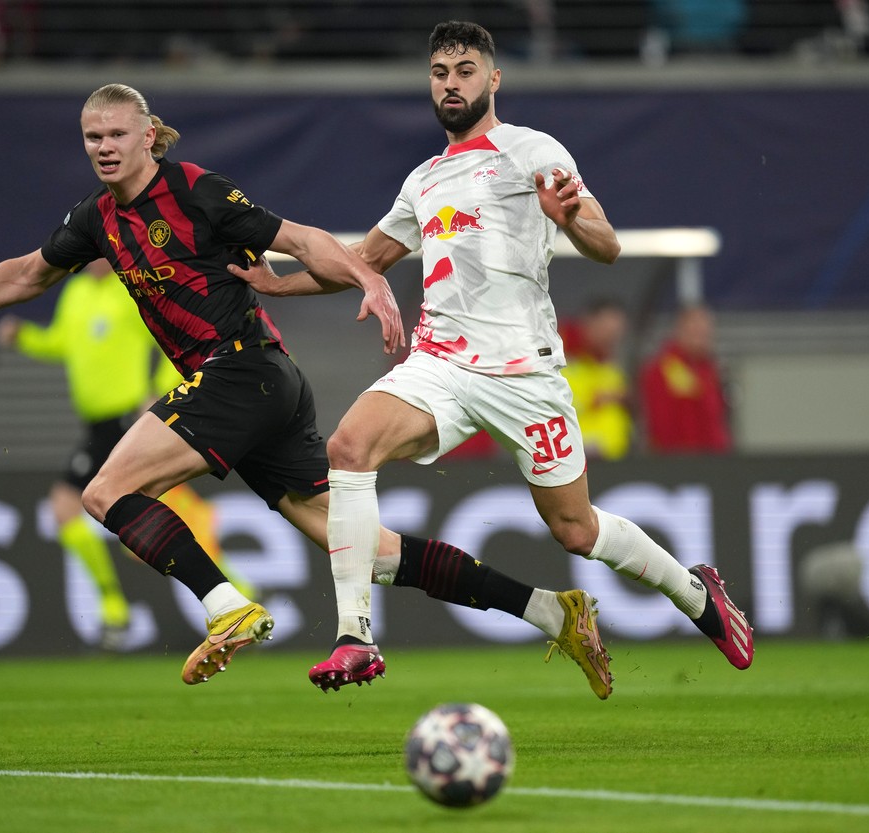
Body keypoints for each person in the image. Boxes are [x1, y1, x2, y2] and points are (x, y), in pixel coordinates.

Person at [0, 82, 615, 698]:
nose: (104, 148)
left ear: (148, 136)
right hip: (257, 386)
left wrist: (369, 279)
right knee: (369, 551)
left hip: (241, 369)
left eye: (116, 134)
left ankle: (227, 607)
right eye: (91, 138)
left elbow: (301, 239)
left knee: (106, 491)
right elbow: (26, 274)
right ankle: (552, 610)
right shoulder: (97, 219)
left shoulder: (195, 191)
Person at [233, 21, 754, 691]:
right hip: (441, 366)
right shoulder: (423, 180)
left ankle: (696, 594)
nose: (451, 84)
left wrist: (568, 218)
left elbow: (607, 244)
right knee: (350, 446)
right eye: (440, 73)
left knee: (575, 529)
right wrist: (278, 282)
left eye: (465, 71)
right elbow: (364, 261)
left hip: (524, 373)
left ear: (493, 78)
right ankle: (355, 636)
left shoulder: (533, 150)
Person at [0, 258, 253, 651]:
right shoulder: (76, 291)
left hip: (129, 419)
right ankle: (238, 591)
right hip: (97, 427)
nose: (89, 255)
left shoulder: (133, 287)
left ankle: (115, 610)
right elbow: (63, 342)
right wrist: (24, 337)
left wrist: (162, 391)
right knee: (146, 512)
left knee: (75, 506)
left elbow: (177, 336)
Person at [639, 303, 732, 454]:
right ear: (679, 330)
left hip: (712, 457)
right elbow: (660, 422)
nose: (701, 338)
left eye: (705, 332)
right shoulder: (663, 368)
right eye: (695, 331)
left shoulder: (710, 370)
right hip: (678, 459)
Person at [559, 297, 633, 460]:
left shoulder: (611, 368)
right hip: (579, 457)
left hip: (616, 459)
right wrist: (597, 399)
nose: (611, 338)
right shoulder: (561, 360)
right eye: (607, 331)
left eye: (617, 333)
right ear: (589, 324)